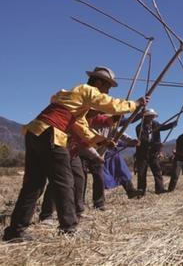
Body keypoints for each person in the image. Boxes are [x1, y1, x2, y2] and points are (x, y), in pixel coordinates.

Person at [3, 66, 147, 242]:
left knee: (34, 184)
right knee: (65, 181)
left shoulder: (73, 101)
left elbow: (81, 127)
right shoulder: (87, 90)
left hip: (36, 133)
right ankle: (69, 228)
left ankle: (15, 231)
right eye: (107, 86)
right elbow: (110, 103)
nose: (108, 90)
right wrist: (135, 104)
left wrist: (102, 141)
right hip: (52, 134)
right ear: (99, 82)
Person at [135, 109, 177, 195]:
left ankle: (159, 189)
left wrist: (172, 124)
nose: (152, 117)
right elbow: (144, 140)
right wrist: (157, 144)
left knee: (157, 171)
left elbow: (163, 127)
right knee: (142, 173)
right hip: (142, 153)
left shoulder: (155, 124)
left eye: (153, 116)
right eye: (151, 116)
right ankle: (141, 192)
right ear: (146, 117)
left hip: (153, 153)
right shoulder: (139, 127)